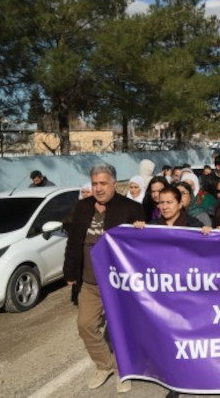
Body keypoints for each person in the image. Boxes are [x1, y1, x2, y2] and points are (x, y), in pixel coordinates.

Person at [63, 163, 144, 393]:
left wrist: (140, 229)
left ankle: (121, 370)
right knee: (85, 325)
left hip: (118, 283)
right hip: (90, 282)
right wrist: (70, 271)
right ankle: (104, 364)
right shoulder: (82, 207)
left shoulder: (131, 208)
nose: (98, 188)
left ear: (114, 184)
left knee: (120, 329)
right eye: (95, 184)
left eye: (103, 184)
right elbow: (73, 241)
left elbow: (140, 247)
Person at [134, 186, 211, 233]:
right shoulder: (152, 226)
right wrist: (138, 230)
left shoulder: (194, 226)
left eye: (169, 202)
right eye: (162, 202)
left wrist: (209, 233)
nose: (164, 207)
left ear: (180, 204)